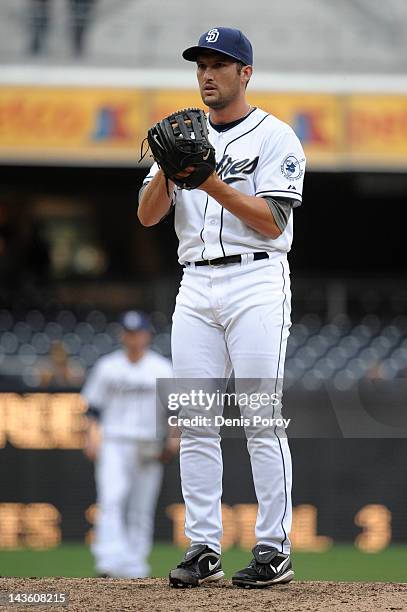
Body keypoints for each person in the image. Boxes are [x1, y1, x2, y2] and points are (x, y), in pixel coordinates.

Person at [138, 27, 306, 589]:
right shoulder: (181, 135)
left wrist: (206, 181)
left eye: (220, 64)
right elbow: (146, 215)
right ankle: (203, 546)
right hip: (195, 285)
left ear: (245, 73)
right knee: (195, 419)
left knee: (260, 417)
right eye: (201, 65)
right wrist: (168, 167)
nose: (208, 74)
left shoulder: (277, 137)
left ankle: (273, 548)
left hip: (256, 277)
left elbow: (273, 221)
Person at [81, 310, 176, 578]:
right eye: (129, 332)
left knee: (142, 506)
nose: (134, 338)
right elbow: (93, 409)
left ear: (147, 335)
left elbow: (175, 410)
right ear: (122, 334)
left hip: (148, 444)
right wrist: (91, 437)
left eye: (138, 332)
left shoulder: (161, 368)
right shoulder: (107, 366)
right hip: (114, 441)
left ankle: (135, 566)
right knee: (111, 499)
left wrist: (174, 438)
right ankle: (108, 562)